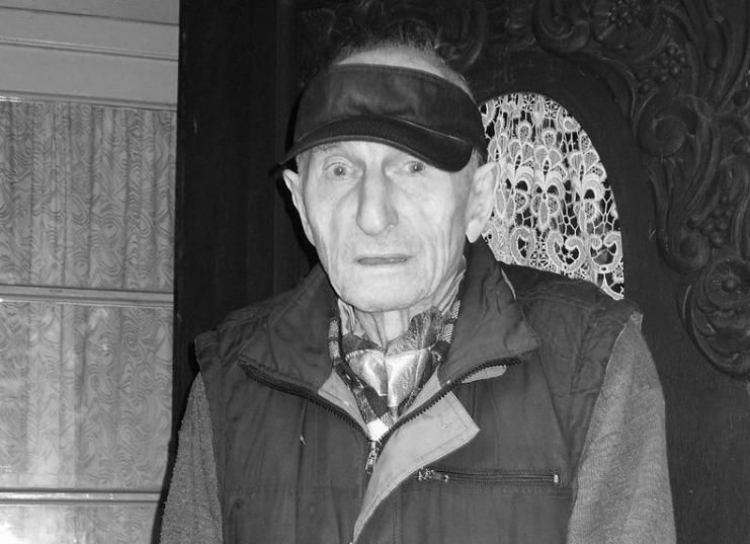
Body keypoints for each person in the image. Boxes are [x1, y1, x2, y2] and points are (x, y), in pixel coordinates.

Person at [160, 39, 675, 544]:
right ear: (302, 206)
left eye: (412, 167)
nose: (372, 214)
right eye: (340, 170)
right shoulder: (232, 379)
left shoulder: (591, 361)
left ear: (478, 199)